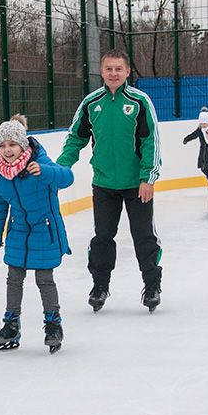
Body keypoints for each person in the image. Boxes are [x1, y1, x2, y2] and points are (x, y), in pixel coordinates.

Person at [56, 48, 163, 314]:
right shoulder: (92, 102)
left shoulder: (139, 101)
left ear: (127, 72)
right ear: (101, 72)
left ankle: (152, 286)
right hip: (103, 184)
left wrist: (147, 177)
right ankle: (100, 286)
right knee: (103, 237)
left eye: (118, 69)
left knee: (143, 236)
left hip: (137, 185)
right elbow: (76, 137)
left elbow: (151, 141)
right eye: (108, 69)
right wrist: (60, 167)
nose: (113, 73)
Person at [0, 115, 74, 354]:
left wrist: (45, 172)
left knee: (44, 279)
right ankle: (11, 324)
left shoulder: (39, 161)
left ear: (23, 145)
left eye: (12, 144)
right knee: (14, 277)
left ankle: (53, 324)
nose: (7, 150)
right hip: (18, 230)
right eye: (2, 145)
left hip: (44, 229)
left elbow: (67, 177)